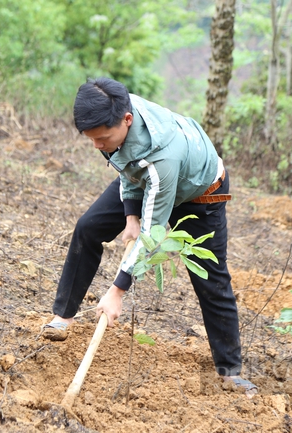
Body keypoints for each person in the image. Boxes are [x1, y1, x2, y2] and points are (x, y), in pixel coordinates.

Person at [42, 77, 257, 395]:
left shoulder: (160, 157)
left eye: (102, 138)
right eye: (92, 139)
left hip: (198, 190)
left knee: (211, 280)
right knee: (89, 227)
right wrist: (130, 214)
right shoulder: (116, 114)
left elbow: (151, 236)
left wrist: (116, 291)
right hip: (148, 177)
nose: (97, 145)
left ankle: (230, 371)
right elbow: (126, 166)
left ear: (126, 120)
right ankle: (62, 317)